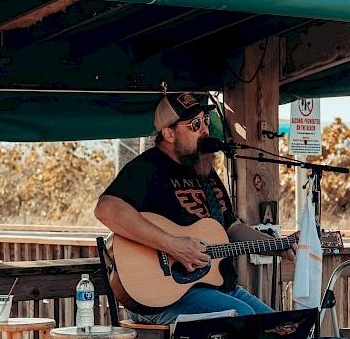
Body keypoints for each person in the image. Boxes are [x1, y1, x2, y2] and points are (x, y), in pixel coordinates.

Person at [95, 92, 297, 325]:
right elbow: (106, 208)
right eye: (195, 124)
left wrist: (277, 246)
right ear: (169, 133)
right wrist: (173, 245)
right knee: (244, 320)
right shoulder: (148, 168)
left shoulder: (205, 171)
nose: (204, 130)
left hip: (220, 288)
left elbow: (230, 227)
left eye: (206, 122)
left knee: (282, 327)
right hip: (165, 298)